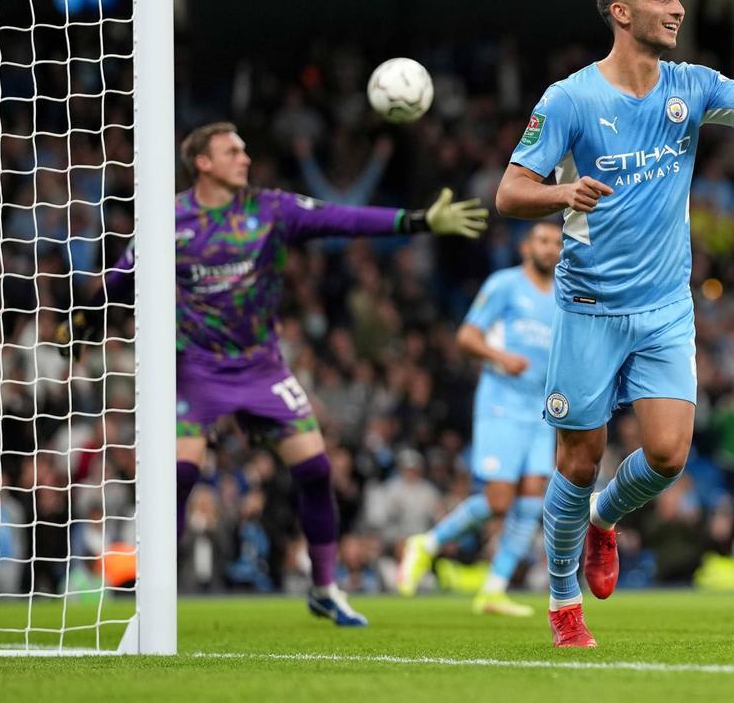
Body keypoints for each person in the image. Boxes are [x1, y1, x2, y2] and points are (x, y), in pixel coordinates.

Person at [494, 0, 734, 647]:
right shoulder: (570, 98)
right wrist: (559, 194)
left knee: (667, 457)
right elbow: (509, 193)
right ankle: (561, 601)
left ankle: (605, 520)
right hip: (588, 308)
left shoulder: (692, 85)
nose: (679, 8)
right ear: (622, 12)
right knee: (578, 460)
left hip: (665, 306)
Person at [59, 121, 487, 627]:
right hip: (196, 370)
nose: (245, 157)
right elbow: (121, 278)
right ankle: (154, 597)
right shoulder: (170, 220)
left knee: (317, 470)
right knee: (180, 474)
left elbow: (342, 219)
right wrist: (85, 319)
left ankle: (325, 587)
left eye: (244, 148)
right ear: (204, 163)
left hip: (263, 369)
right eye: (232, 151)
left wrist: (416, 221)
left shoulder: (270, 209)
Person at [398, 222, 563, 617]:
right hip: (501, 406)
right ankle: (427, 543)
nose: (550, 248)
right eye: (542, 240)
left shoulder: (563, 295)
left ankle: (494, 587)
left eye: (557, 242)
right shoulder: (504, 285)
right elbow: (467, 336)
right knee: (498, 501)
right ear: (526, 247)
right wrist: (501, 358)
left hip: (541, 411)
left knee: (530, 498)